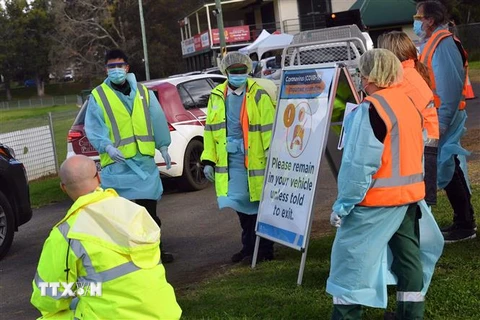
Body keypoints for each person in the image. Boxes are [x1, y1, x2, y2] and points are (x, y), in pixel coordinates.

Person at [326, 49, 443, 320]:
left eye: (361, 73)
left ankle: (345, 316)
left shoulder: (371, 110)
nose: (360, 78)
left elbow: (359, 166)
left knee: (350, 266)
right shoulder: (407, 104)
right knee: (408, 261)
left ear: (370, 75)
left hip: (374, 203)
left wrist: (343, 205)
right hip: (409, 199)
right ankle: (411, 314)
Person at [31, 155, 182, 319]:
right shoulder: (134, 211)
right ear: (99, 176)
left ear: (63, 188)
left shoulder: (66, 233)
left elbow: (47, 296)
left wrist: (79, 289)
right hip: (163, 312)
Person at [85, 49, 174, 262]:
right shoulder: (98, 96)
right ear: (106, 69)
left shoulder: (143, 93)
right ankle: (128, 257)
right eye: (111, 66)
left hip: (143, 164)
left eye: (119, 65)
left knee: (149, 215)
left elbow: (158, 119)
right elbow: (95, 127)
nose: (115, 70)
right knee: (121, 217)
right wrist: (106, 146)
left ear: (127, 67)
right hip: (117, 166)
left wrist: (163, 146)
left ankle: (154, 252)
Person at [201, 52, 276, 263]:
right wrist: (208, 160)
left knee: (256, 206)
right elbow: (210, 130)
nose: (238, 75)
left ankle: (262, 250)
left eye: (241, 71)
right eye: (233, 72)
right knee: (240, 206)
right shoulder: (217, 95)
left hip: (254, 158)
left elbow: (268, 128)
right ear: (225, 72)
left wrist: (271, 153)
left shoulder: (258, 94)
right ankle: (248, 247)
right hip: (230, 160)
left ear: (248, 70)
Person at [415, 0, 476, 242]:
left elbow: (449, 88)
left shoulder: (443, 44)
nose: (416, 21)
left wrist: (441, 124)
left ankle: (465, 223)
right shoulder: (435, 42)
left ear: (429, 20)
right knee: (448, 166)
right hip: (438, 116)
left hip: (443, 117)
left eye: (418, 17)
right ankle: (463, 221)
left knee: (447, 167)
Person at [377, 31, 439, 206]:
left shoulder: (402, 79)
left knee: (417, 207)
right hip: (424, 145)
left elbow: (385, 107)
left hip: (421, 148)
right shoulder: (409, 73)